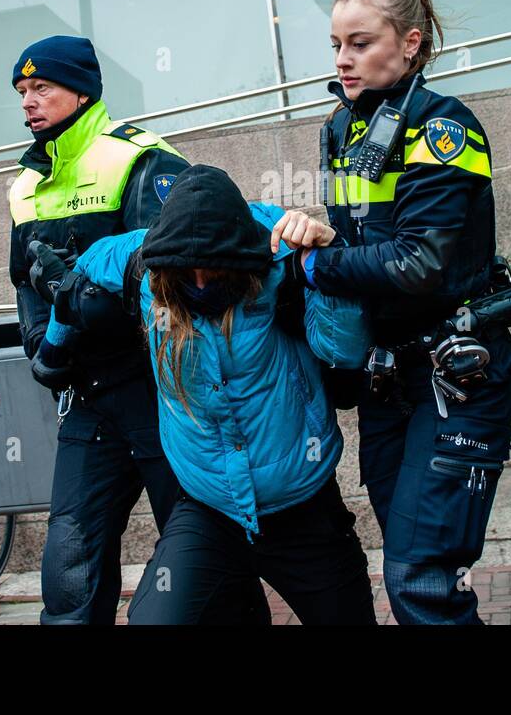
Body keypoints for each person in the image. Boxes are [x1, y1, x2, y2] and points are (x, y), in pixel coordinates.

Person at [270, 0, 511, 625]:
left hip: (455, 373)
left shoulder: (443, 126)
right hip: (387, 378)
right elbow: (361, 238)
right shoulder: (339, 129)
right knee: (408, 566)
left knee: (420, 576)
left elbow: (417, 262)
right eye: (335, 45)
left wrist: (317, 264)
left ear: (410, 44)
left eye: (360, 42)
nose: (342, 59)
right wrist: (317, 233)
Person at [35, 165, 377, 624]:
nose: (198, 284)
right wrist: (51, 353)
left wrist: (328, 254)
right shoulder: (145, 262)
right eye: (185, 273)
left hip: (304, 508)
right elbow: (83, 271)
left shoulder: (280, 257)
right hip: (208, 509)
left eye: (213, 270)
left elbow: (343, 350)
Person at [8, 35, 189, 625]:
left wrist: (76, 311)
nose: (29, 102)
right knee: (67, 575)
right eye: (21, 91)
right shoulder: (24, 185)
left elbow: (166, 284)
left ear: (82, 90)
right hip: (86, 398)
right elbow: (24, 283)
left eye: (42, 88)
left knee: (197, 568)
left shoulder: (140, 158)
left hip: (161, 394)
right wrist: (42, 346)